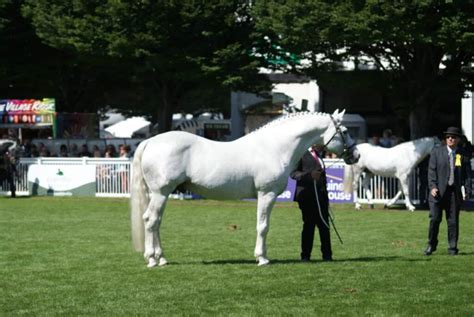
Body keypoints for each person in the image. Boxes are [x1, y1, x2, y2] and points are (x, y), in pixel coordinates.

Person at [424, 127, 471, 256]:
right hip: (437, 193)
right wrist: (433, 187)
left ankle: (452, 247)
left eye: (453, 137)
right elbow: (431, 172)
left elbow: (467, 176)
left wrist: (467, 190)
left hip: (453, 193)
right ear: (445, 139)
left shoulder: (463, 155)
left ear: (458, 140)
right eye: (448, 137)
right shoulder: (436, 152)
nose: (450, 138)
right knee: (434, 219)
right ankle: (431, 245)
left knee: (453, 222)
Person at [290, 144, 332, 262]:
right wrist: (309, 176)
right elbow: (293, 173)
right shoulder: (300, 153)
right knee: (309, 226)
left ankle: (327, 256)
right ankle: (305, 256)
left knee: (324, 226)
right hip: (306, 196)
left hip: (321, 196)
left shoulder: (319, 154)